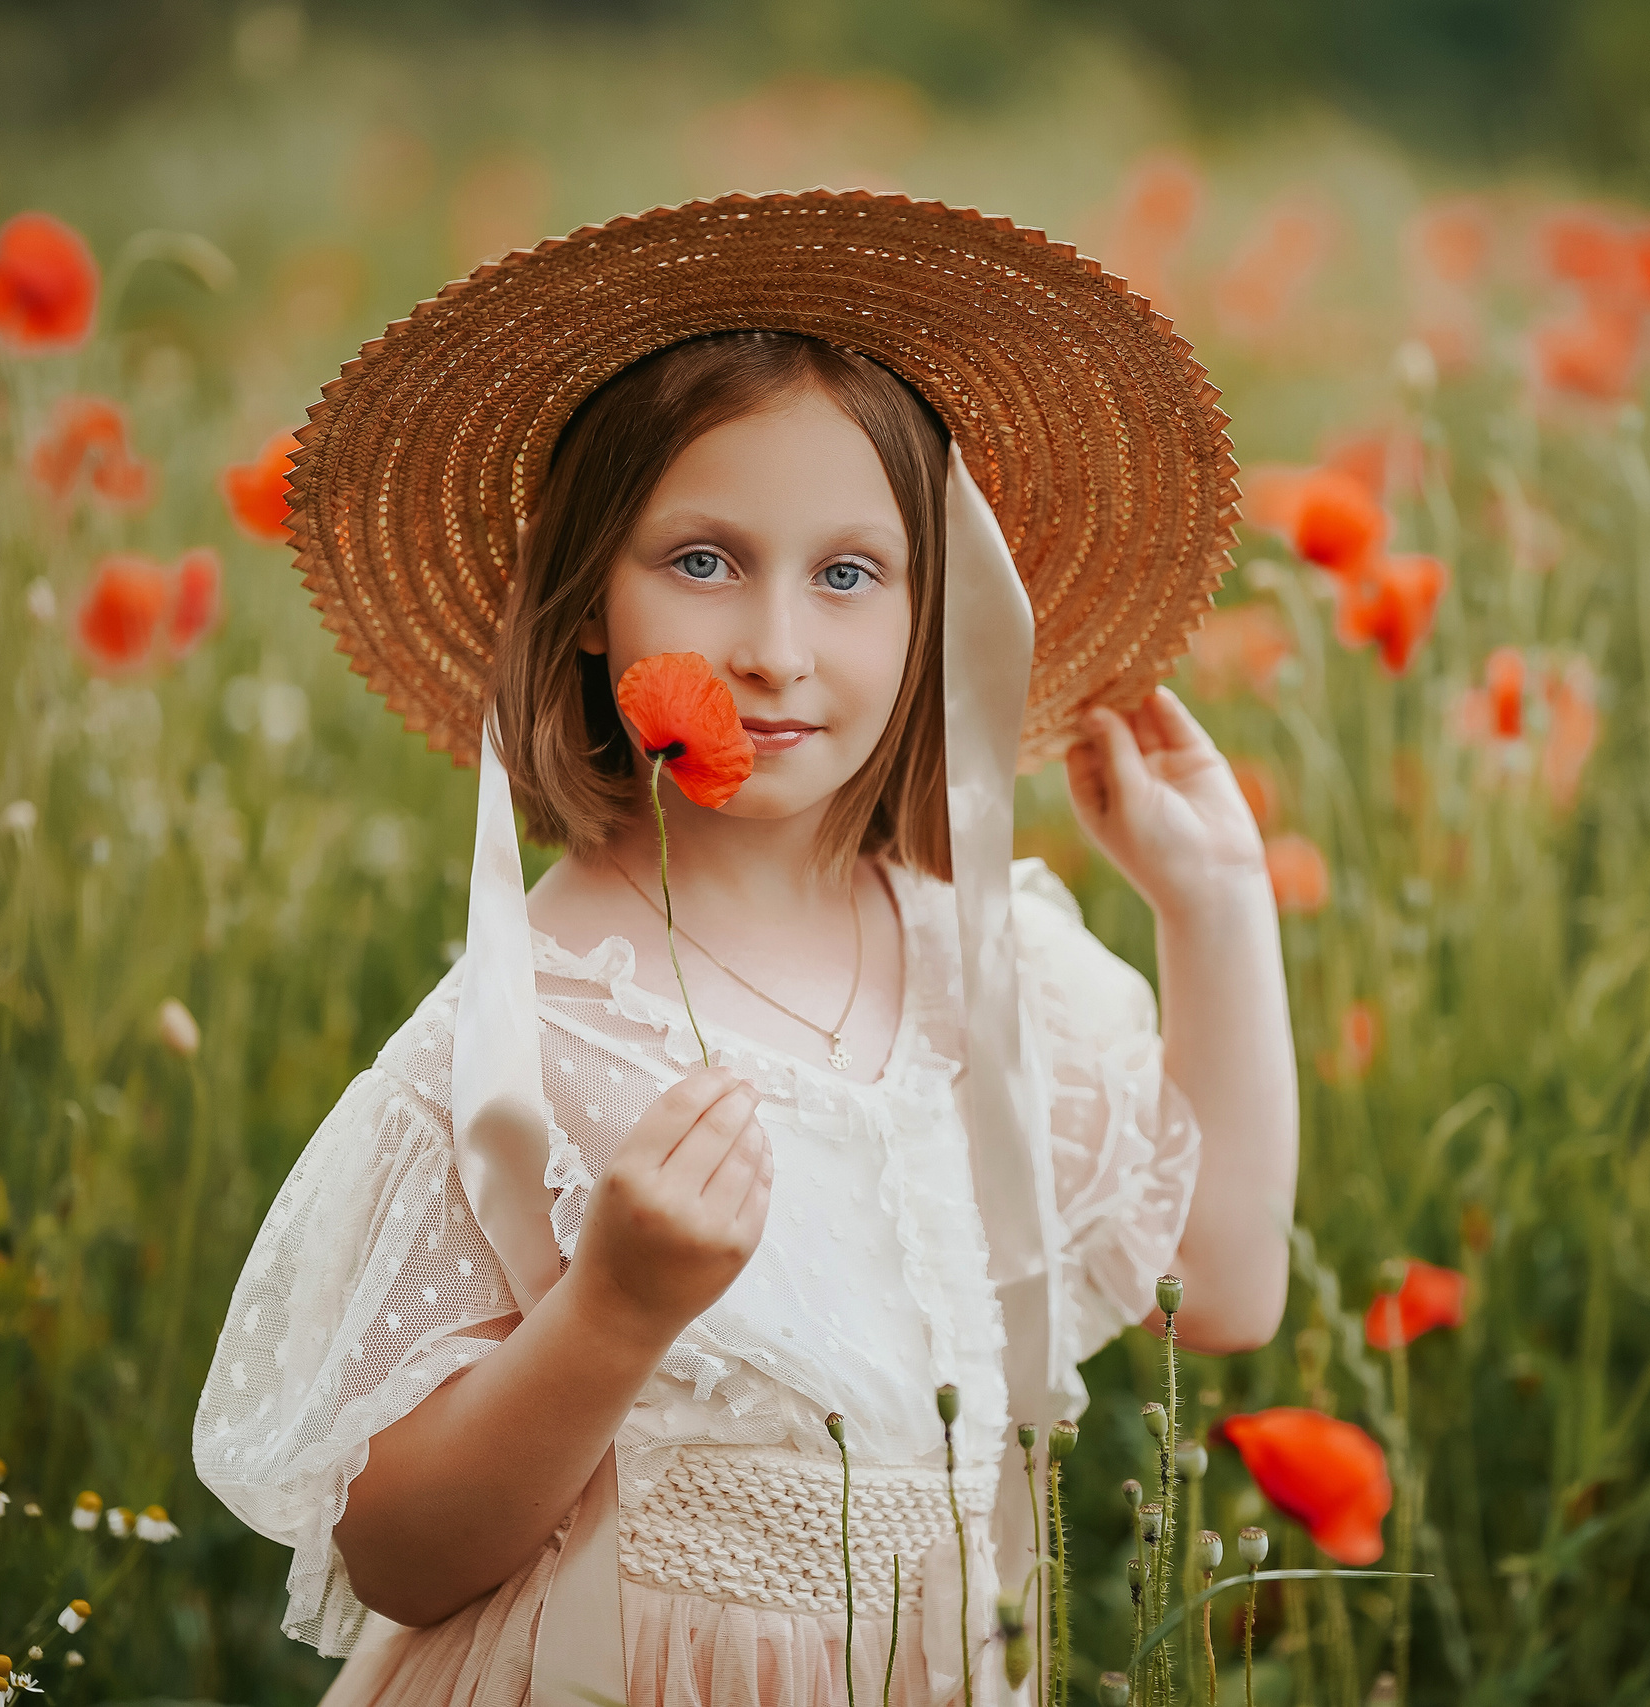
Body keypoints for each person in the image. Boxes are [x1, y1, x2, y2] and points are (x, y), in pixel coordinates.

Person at [194, 190, 1298, 1707]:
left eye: (850, 574)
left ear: (933, 619)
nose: (776, 645)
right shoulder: (528, 1040)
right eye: (704, 560)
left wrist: (1217, 905)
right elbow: (399, 1557)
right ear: (584, 604)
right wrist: (615, 1311)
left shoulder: (982, 973)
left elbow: (1223, 1290)